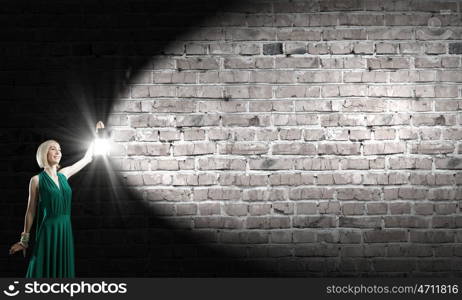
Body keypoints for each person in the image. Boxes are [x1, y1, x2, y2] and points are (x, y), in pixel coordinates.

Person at [8, 121, 105, 278]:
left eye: (60, 149)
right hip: (48, 229)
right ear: (44, 153)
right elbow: (31, 211)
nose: (58, 151)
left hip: (65, 228)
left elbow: (87, 158)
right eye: (53, 148)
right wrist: (24, 240)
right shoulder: (36, 180)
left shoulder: (64, 174)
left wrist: (97, 136)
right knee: (43, 267)